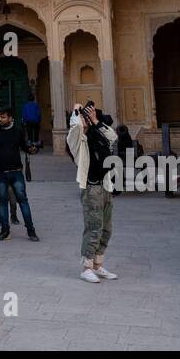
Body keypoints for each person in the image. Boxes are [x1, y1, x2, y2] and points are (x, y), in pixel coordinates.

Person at [68, 103, 118, 283]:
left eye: (85, 116)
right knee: (94, 227)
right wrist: (76, 111)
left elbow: (113, 137)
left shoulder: (97, 134)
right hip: (91, 189)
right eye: (82, 116)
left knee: (106, 229)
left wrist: (96, 120)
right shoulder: (76, 140)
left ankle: (97, 265)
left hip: (105, 186)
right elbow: (76, 127)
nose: (84, 118)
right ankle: (86, 267)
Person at [0, 106, 40, 241]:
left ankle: (31, 230)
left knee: (23, 201)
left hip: (16, 173)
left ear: (10, 118)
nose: (0, 119)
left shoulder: (17, 132)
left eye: (3, 117)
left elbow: (24, 147)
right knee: (2, 202)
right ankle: (5, 231)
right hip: (0, 174)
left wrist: (31, 149)